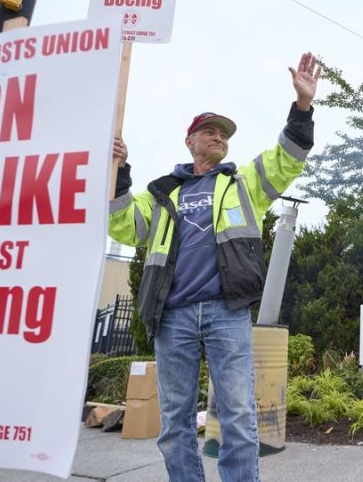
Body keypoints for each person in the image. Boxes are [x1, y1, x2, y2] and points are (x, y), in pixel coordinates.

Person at [108, 52, 322, 482]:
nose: (219, 136)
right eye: (210, 131)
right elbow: (125, 224)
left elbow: (288, 158)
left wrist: (302, 107)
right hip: (173, 317)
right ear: (190, 141)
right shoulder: (160, 193)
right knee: (175, 425)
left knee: (240, 418)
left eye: (224, 133)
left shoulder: (244, 183)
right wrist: (119, 173)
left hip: (227, 312)